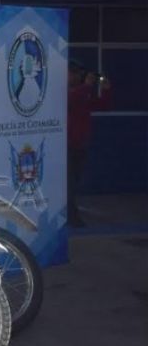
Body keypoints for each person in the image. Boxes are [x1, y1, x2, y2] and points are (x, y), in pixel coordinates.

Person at [67, 60, 112, 227]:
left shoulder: (82, 93)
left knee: (74, 181)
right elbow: (71, 101)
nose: (77, 76)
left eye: (79, 73)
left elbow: (102, 105)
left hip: (80, 145)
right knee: (68, 184)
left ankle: (72, 215)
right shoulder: (69, 92)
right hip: (66, 146)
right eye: (74, 73)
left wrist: (106, 90)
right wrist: (86, 86)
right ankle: (72, 217)